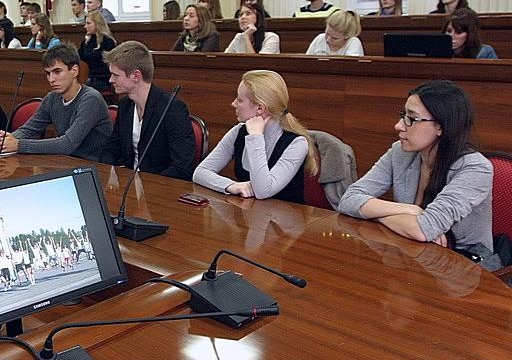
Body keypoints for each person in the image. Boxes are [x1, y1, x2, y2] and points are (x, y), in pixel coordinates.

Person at [338, 80, 496, 267]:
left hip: (464, 268)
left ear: (440, 127)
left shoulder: (475, 168)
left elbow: (422, 229)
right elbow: (348, 199)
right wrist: (409, 210)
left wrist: (376, 214)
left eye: (412, 119)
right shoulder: (400, 152)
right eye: (403, 115)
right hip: (411, 256)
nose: (398, 126)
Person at [193, 70, 318, 202]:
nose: (233, 103)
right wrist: (231, 186)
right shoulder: (238, 131)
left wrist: (256, 138)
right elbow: (200, 172)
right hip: (249, 211)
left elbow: (263, 191)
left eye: (239, 100)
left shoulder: (297, 143)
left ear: (260, 108)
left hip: (285, 214)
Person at [0, 43, 112, 161]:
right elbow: (28, 130)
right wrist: (7, 140)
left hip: (95, 167)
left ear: (74, 71)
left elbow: (67, 144)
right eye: (48, 73)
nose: (51, 79)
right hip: (65, 163)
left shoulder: (91, 99)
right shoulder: (52, 98)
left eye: (57, 72)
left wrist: (18, 144)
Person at [100, 41, 195, 180]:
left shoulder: (172, 109)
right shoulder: (125, 106)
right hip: (130, 184)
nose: (110, 80)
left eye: (116, 75)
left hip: (161, 186)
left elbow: (182, 168)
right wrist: (105, 175)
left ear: (136, 76)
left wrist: (148, 185)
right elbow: (112, 149)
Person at [79, 10, 116, 92]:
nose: (85, 26)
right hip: (88, 76)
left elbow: (109, 65)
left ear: (97, 24)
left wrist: (89, 73)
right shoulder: (87, 41)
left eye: (88, 23)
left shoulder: (107, 41)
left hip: (102, 78)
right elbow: (80, 58)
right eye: (85, 23)